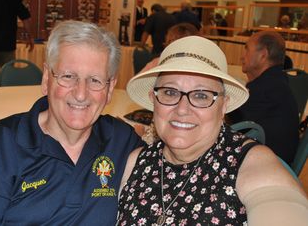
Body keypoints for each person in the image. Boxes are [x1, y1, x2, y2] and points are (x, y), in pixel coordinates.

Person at [0, 20, 143, 225]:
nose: (81, 93)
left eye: (95, 80)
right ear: (46, 79)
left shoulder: (122, 142)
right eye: (68, 76)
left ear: (110, 88)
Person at [117, 36, 308, 225]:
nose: (182, 109)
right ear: (153, 99)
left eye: (201, 95)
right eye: (170, 92)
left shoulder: (246, 163)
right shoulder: (136, 162)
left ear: (223, 105)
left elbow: (281, 203)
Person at [228, 31, 299, 164]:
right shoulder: (276, 82)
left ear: (263, 55)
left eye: (247, 49)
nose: (242, 57)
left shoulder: (266, 90)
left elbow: (232, 125)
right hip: (274, 160)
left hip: (269, 167)